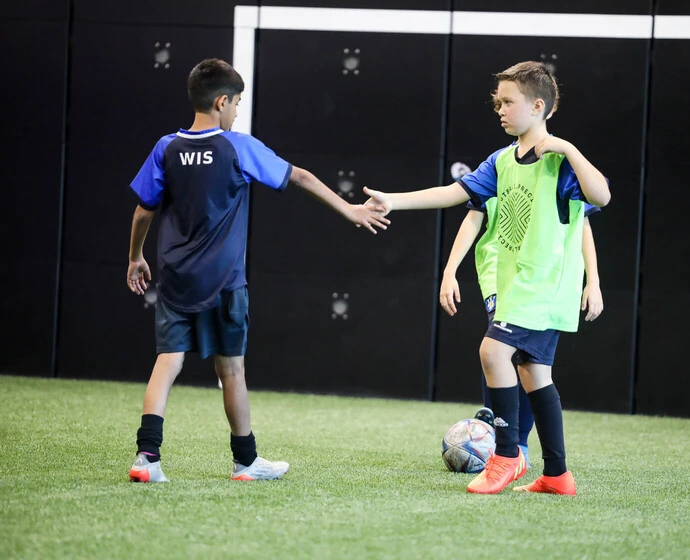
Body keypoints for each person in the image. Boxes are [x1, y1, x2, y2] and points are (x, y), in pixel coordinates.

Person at [125, 58, 389, 483]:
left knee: (167, 361)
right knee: (231, 370)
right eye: (237, 104)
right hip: (226, 282)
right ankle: (245, 462)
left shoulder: (165, 148)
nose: (236, 113)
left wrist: (136, 257)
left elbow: (142, 211)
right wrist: (350, 211)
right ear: (223, 101)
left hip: (175, 280)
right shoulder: (237, 147)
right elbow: (299, 177)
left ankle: (146, 458)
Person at [365, 60, 610, 494]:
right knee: (535, 374)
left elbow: (601, 196)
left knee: (493, 353)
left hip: (546, 285)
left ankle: (507, 456)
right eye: (497, 102)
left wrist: (569, 149)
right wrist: (393, 201)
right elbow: (455, 194)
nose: (500, 109)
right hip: (522, 285)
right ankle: (556, 474)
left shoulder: (558, 162)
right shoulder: (501, 160)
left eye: (508, 102)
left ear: (537, 106)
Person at [439, 193, 604, 468]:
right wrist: (449, 271)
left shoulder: (563, 172)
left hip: (544, 278)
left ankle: (518, 445)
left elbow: (583, 223)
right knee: (496, 346)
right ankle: (499, 430)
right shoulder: (499, 166)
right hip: (499, 273)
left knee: (525, 360)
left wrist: (594, 280)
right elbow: (473, 217)